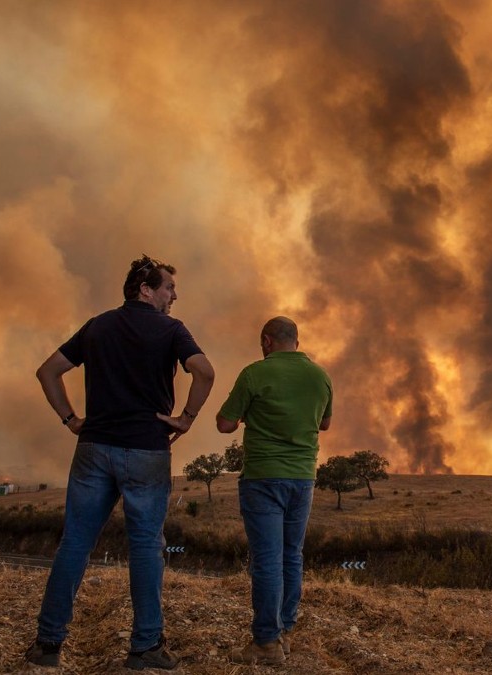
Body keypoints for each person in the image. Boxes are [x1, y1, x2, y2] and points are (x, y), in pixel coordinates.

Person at [26, 255, 215, 670]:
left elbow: (47, 372)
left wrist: (71, 419)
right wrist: (186, 419)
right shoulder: (171, 330)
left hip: (94, 448)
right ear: (145, 289)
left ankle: (47, 645)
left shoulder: (97, 326)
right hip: (146, 449)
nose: (174, 296)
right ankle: (145, 647)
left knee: (75, 543)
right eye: (168, 288)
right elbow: (204, 372)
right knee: (146, 546)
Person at [216, 316, 333, 665]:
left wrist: (251, 414)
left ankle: (267, 642)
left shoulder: (255, 373)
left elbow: (224, 424)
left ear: (267, 341)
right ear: (296, 340)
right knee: (291, 555)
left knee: (267, 559)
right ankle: (285, 629)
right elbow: (324, 422)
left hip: (263, 477)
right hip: (302, 478)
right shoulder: (320, 376)